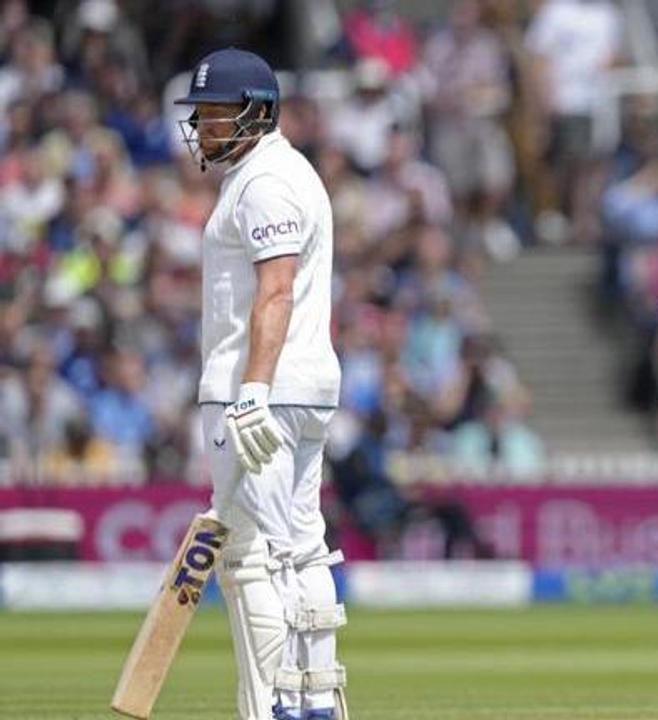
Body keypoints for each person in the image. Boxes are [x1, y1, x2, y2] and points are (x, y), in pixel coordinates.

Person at [175, 48, 347, 720]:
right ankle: (315, 699)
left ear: (257, 111)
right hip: (300, 388)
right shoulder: (269, 173)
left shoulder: (266, 181)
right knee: (300, 546)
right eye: (203, 114)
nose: (205, 127)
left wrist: (252, 390)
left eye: (216, 113)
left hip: (260, 391)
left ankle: (271, 707)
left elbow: (275, 291)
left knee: (251, 557)